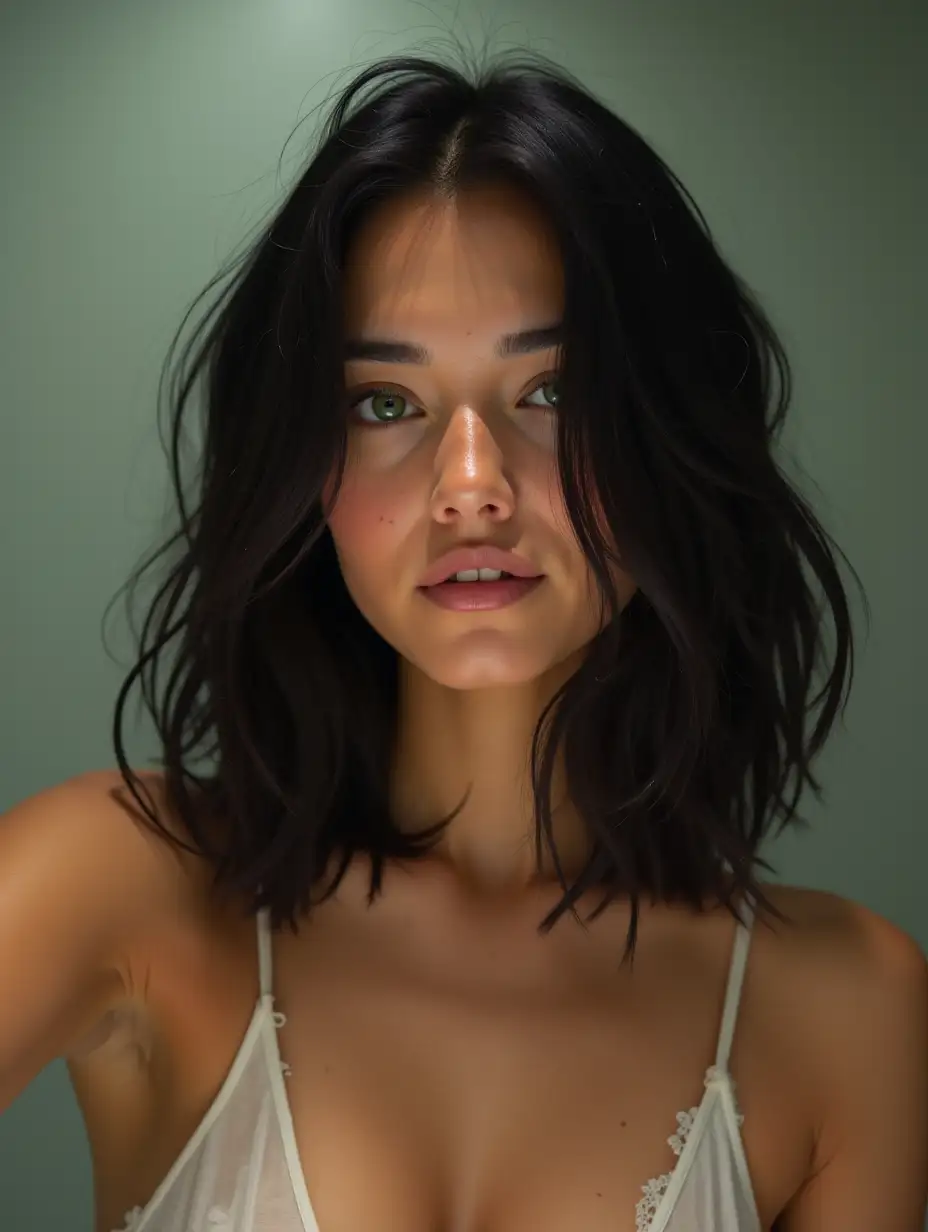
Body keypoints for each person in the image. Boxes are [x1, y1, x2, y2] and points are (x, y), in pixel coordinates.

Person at [1, 49, 925, 1232]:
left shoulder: (850, 1009)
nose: (471, 486)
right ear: (303, 466)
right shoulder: (121, 886)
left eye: (552, 391)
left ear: (669, 432)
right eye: (387, 404)